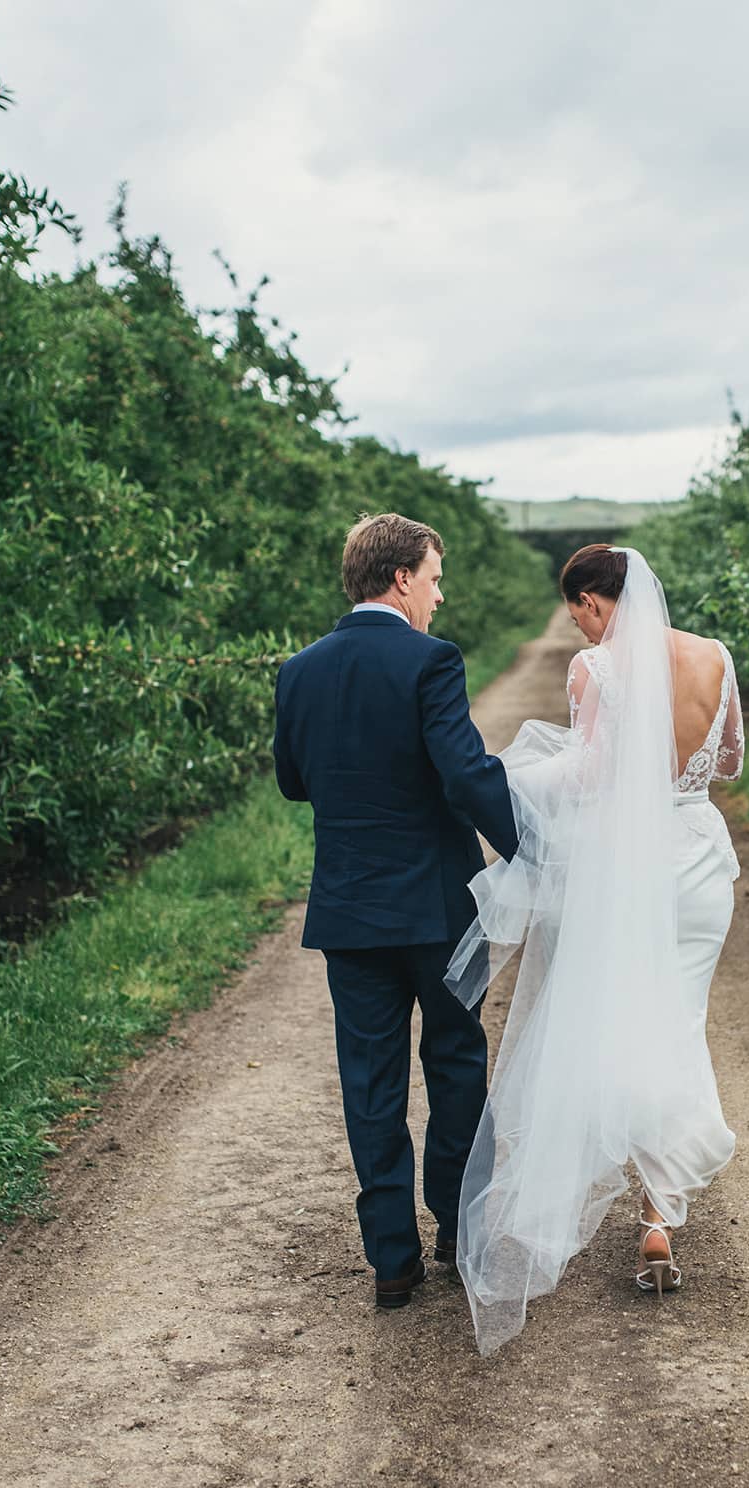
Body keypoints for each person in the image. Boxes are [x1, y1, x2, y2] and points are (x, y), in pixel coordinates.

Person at [447, 543, 742, 1355]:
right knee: (681, 1024)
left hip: (630, 869)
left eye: (576, 608)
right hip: (700, 863)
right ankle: (657, 1218)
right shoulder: (715, 657)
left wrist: (510, 783)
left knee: (620, 1030)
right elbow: (729, 761)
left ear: (590, 600)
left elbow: (590, 775)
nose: (578, 623)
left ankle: (672, 1171)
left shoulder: (596, 670)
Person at [272, 513, 519, 1310]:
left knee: (368, 1081)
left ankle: (390, 1257)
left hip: (349, 912)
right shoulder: (430, 662)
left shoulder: (298, 670)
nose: (440, 598)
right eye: (436, 579)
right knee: (455, 1063)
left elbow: (293, 781)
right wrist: (531, 847)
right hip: (440, 908)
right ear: (403, 576)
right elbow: (465, 772)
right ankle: (455, 1226)